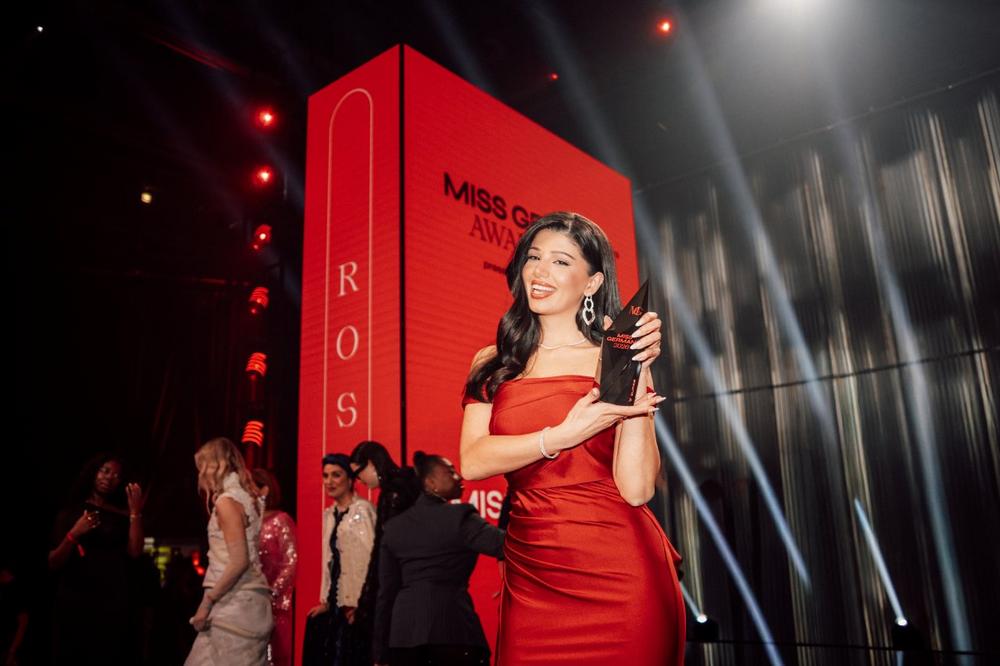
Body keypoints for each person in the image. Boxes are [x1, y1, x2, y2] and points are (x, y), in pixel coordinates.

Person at [460, 212, 685, 666]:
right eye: (534, 258)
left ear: (592, 282)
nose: (540, 272)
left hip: (619, 572)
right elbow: (473, 460)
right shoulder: (493, 361)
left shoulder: (612, 355)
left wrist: (637, 367)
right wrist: (561, 435)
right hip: (532, 572)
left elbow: (637, 489)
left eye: (561, 262)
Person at [375, 451, 504, 666]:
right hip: (453, 629)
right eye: (450, 472)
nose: (459, 476)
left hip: (404, 635)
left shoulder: (393, 528)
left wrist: (379, 653)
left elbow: (386, 594)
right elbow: (506, 545)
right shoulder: (460, 518)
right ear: (430, 483)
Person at [48, 452, 145, 664]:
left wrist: (135, 512)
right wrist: (74, 533)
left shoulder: (122, 516)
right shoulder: (71, 512)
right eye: (105, 471)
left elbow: (135, 551)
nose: (109, 478)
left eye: (116, 475)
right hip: (76, 598)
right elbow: (53, 561)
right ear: (94, 472)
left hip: (112, 600)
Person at [185, 437, 273, 665]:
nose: (200, 475)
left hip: (233, 604)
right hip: (246, 601)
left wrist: (207, 602)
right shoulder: (249, 498)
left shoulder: (227, 502)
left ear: (213, 467)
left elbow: (239, 560)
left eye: (202, 467)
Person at [302, 454, 377, 666]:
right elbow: (330, 562)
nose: (329, 481)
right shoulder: (330, 514)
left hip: (356, 604)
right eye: (325, 476)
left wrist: (361, 605)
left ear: (350, 479)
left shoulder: (362, 511)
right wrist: (325, 601)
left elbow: (370, 561)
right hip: (336, 601)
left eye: (336, 475)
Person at [348, 441, 420, 659]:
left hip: (398, 587)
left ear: (371, 464)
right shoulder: (411, 484)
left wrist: (366, 605)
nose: (358, 481)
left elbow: (383, 551)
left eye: (358, 473)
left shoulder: (392, 494)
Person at [252, 469, 298, 666]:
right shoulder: (248, 523)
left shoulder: (281, 520)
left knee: (276, 655)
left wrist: (273, 592)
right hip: (251, 602)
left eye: (249, 487)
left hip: (276, 605)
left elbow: (292, 560)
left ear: (264, 490)